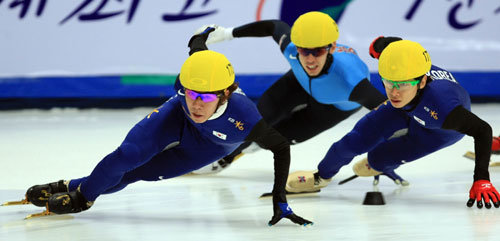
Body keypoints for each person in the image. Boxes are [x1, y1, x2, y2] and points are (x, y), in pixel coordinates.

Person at [20, 28, 312, 226]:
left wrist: (280, 198)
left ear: (225, 94)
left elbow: (281, 147)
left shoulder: (245, 118)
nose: (196, 103)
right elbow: (197, 43)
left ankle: (72, 186)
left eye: (206, 97)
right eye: (190, 93)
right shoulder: (191, 81)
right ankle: (83, 198)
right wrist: (205, 33)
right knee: (128, 155)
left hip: (209, 146)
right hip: (174, 116)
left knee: (138, 174)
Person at [287, 37, 500, 209]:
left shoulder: (444, 107)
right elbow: (389, 45)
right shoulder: (399, 67)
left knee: (378, 159)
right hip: (405, 109)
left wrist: (481, 178)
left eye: (402, 85)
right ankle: (321, 177)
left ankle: (380, 164)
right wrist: (378, 46)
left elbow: (482, 130)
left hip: (438, 129)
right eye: (388, 82)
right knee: (351, 143)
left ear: (422, 80)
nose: (394, 92)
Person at [192, 11, 387, 174]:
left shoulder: (351, 82)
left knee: (280, 137)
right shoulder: (292, 49)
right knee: (254, 120)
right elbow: (274, 27)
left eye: (317, 51)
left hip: (334, 106)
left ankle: (249, 148)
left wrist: (387, 155)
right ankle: (223, 154)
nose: (310, 60)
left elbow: (393, 113)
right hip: (298, 82)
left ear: (332, 47)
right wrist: (227, 33)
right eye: (304, 51)